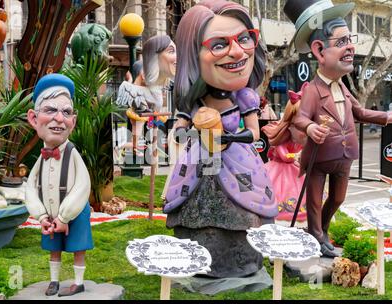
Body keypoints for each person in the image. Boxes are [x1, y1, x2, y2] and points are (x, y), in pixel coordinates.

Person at [163, 0, 278, 280]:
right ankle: (197, 261)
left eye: (243, 39)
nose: (237, 51)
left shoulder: (245, 97)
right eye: (219, 44)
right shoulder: (193, 101)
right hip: (199, 162)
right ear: (193, 54)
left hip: (237, 161)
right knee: (194, 212)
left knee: (243, 211)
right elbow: (179, 130)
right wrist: (195, 133)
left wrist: (228, 136)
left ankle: (241, 263)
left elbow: (254, 133)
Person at [284, 0, 392, 257]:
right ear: (319, 51)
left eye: (349, 40)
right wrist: (310, 128)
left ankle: (321, 231)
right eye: (341, 42)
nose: (351, 47)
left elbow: (360, 113)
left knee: (338, 199)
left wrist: (387, 117)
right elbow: (300, 118)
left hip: (343, 156)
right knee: (313, 202)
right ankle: (316, 237)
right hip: (319, 158)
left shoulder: (343, 87)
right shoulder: (312, 90)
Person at [25, 73, 93, 297]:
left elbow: (83, 185)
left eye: (66, 112)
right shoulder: (41, 159)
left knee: (77, 247)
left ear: (73, 121)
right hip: (50, 214)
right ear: (34, 119)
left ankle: (78, 282)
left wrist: (64, 217)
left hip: (73, 213)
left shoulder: (72, 154)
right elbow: (31, 189)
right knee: (54, 248)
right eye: (51, 110)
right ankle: (54, 280)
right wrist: (42, 216)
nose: (59, 118)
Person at [116, 35, 176, 156]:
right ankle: (123, 148)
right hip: (140, 109)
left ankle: (134, 147)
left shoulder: (145, 83)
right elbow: (145, 80)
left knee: (140, 133)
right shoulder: (144, 76)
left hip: (147, 109)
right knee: (137, 133)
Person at [262, 85, 308, 222]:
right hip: (279, 168)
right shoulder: (283, 136)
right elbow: (284, 156)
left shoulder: (301, 135)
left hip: (294, 168)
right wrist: (297, 156)